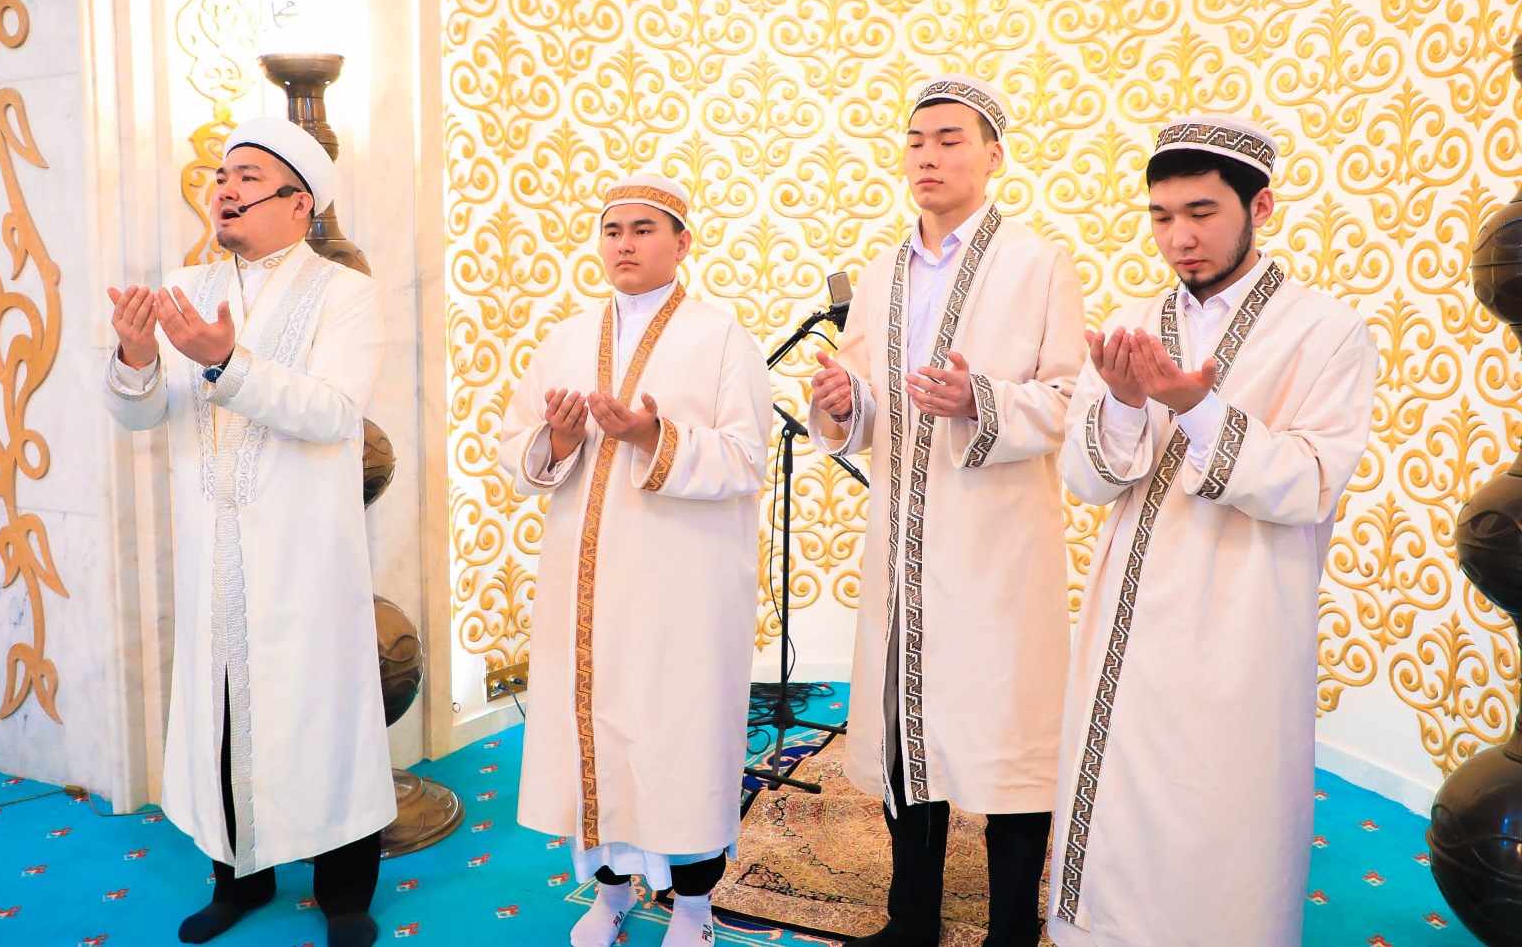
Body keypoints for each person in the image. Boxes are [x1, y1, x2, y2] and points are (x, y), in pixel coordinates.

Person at [1049, 114, 1378, 947]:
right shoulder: (1130, 323)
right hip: (1126, 618)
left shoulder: (1325, 331)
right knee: (1116, 804)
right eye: (1162, 217)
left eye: (1201, 213)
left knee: (1218, 814)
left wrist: (1197, 408)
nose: (1180, 238)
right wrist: (1125, 403)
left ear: (1260, 207)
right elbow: (1085, 480)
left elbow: (1310, 481)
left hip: (1239, 617)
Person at [808, 75, 1085, 947]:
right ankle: (911, 921)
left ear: (994, 156)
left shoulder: (1039, 263)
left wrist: (981, 400)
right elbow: (866, 404)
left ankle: (1011, 933)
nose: (927, 156)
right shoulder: (883, 270)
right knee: (906, 728)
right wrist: (843, 404)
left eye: (949, 139)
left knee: (1011, 737)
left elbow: (1072, 401)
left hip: (1002, 547)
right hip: (902, 547)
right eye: (916, 140)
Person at [102, 116, 393, 947]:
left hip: (307, 554)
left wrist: (226, 364)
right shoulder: (186, 285)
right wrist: (135, 356)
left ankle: (345, 895)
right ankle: (238, 880)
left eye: (247, 178)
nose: (225, 190)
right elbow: (142, 415)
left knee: (323, 712)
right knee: (224, 708)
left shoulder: (346, 293)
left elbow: (332, 413)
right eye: (221, 178)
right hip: (213, 550)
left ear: (300, 204)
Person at [499, 173, 772, 947]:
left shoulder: (722, 338)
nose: (623, 243)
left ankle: (694, 909)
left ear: (682, 244)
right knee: (594, 733)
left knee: (678, 740)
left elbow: (746, 458)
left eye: (643, 229)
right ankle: (611, 894)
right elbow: (516, 455)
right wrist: (556, 440)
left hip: (682, 588)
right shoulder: (565, 339)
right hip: (583, 587)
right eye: (612, 229)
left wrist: (652, 436)